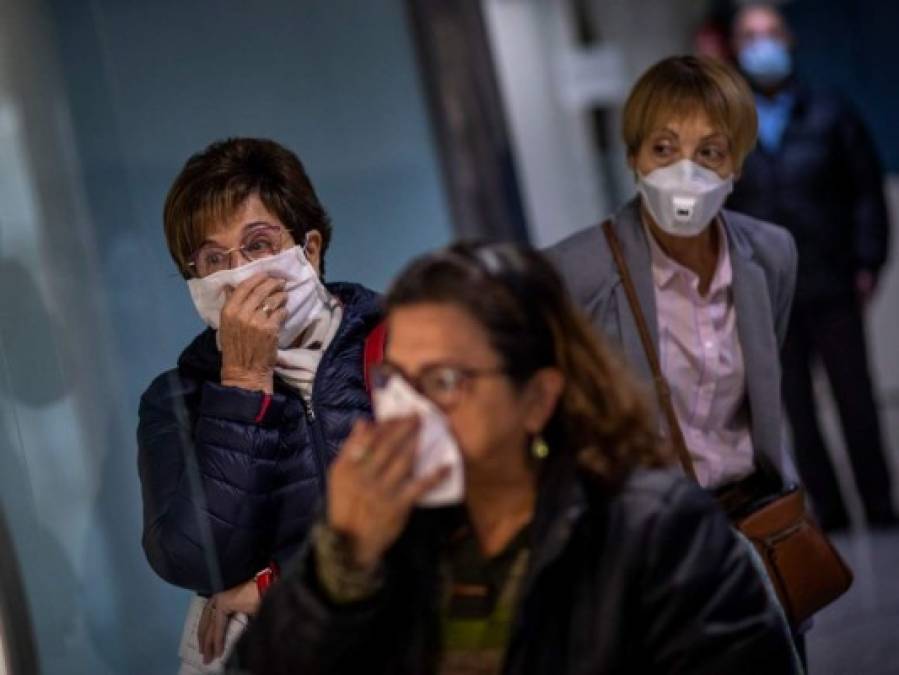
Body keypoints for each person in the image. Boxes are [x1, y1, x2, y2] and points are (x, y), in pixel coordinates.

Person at [227, 242, 797, 675]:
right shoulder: (395, 537)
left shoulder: (656, 530)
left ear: (537, 399)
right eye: (395, 379)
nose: (407, 408)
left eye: (445, 379)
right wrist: (339, 565)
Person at [137, 138, 381, 668]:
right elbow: (193, 558)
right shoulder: (174, 402)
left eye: (259, 244)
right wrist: (244, 384)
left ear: (309, 250)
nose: (239, 271)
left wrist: (278, 585)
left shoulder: (401, 347)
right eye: (213, 258)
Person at [547, 55, 798, 505]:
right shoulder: (575, 272)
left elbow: (763, 377)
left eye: (709, 152)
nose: (686, 174)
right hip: (647, 529)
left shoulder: (770, 254)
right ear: (633, 158)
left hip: (751, 508)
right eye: (663, 149)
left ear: (736, 166)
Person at [727, 2, 895, 530]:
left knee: (856, 400)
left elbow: (866, 192)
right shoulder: (730, 129)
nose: (762, 46)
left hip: (833, 280)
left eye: (769, 33)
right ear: (736, 49)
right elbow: (717, 213)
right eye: (750, 36)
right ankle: (834, 515)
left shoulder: (830, 112)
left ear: (789, 39)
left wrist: (868, 260)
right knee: (796, 410)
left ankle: (879, 506)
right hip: (768, 293)